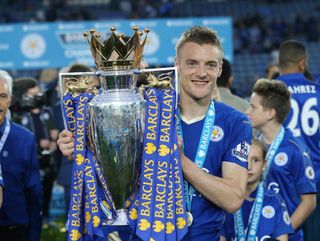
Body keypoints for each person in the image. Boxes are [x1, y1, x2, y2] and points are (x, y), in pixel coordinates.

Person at [58, 26, 252, 241]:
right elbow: (113, 164)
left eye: (210, 65)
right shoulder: (144, 110)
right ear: (176, 65)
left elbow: (233, 199)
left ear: (220, 69)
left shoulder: (236, 121)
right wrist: (82, 149)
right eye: (192, 63)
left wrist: (178, 159)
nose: (201, 73)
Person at [246, 78, 316, 241]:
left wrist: (283, 232)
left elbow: (309, 202)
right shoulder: (253, 145)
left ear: (270, 113)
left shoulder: (295, 150)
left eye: (253, 106)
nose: (247, 111)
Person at [277, 40, 320, 241]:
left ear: (279, 64)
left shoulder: (269, 93)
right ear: (302, 63)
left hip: (280, 178)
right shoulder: (318, 91)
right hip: (315, 180)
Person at [221, 138, 293, 241]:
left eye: (255, 160)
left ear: (264, 164)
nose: (249, 166)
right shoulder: (224, 200)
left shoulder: (275, 201)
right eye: (244, 159)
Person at [0, 71, 43, 241]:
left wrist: (34, 234)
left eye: (2, 96)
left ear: (10, 99)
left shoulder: (25, 138)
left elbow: (34, 192)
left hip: (15, 231)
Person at [11, 77, 58, 223]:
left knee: (46, 197)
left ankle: (45, 221)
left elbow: (54, 136)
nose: (37, 97)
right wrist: (37, 145)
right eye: (32, 95)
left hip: (47, 164)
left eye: (38, 95)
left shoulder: (46, 112)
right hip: (25, 167)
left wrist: (53, 141)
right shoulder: (15, 115)